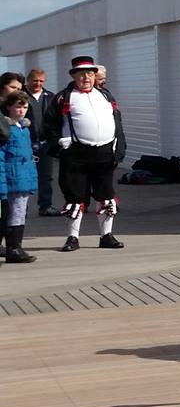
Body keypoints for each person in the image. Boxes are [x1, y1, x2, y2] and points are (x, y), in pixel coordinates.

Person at [52, 55, 125, 252]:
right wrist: (59, 145)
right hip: (76, 154)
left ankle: (106, 236)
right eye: (82, 74)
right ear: (74, 76)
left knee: (106, 195)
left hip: (104, 153)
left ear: (95, 76)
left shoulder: (105, 95)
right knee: (75, 197)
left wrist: (120, 147)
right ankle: (73, 237)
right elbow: (49, 125)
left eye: (90, 74)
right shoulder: (63, 97)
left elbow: (117, 122)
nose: (86, 78)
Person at [1, 91, 36, 262]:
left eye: (25, 107)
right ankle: (12, 248)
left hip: (23, 179)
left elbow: (28, 156)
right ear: (8, 107)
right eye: (18, 106)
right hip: (11, 178)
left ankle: (17, 246)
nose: (22, 110)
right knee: (13, 213)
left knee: (21, 212)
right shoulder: (6, 129)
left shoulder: (24, 128)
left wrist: (32, 180)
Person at [25, 70, 58, 217]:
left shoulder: (50, 97)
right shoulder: (21, 96)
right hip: (26, 143)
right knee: (25, 177)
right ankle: (22, 208)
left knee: (45, 177)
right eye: (35, 80)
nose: (38, 83)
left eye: (41, 81)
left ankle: (45, 206)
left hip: (45, 143)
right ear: (28, 81)